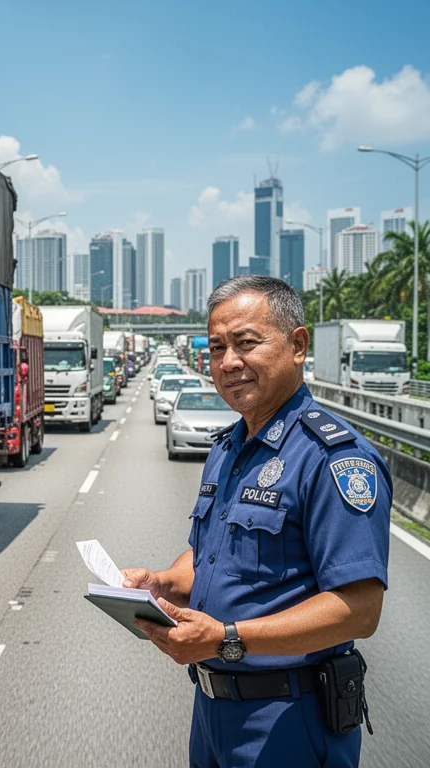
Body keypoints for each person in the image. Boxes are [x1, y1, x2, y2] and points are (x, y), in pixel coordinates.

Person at [122, 276, 390, 767]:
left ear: (298, 345)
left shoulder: (333, 459)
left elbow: (361, 609)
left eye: (246, 343)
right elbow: (209, 559)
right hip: (211, 713)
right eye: (217, 346)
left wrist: (226, 638)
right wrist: (161, 583)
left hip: (288, 720)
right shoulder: (226, 451)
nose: (228, 363)